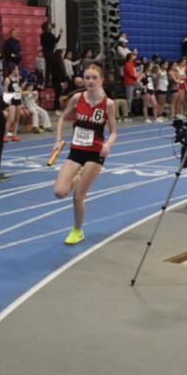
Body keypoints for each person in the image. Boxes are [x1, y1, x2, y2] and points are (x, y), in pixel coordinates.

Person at [52, 64, 116, 245]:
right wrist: (58, 140)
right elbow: (62, 118)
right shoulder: (77, 98)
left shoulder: (108, 104)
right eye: (87, 78)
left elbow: (113, 132)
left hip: (95, 153)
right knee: (59, 192)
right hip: (77, 150)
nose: (90, 81)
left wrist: (107, 145)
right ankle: (77, 177)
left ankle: (77, 230)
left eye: (94, 78)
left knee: (78, 197)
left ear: (101, 80)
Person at [3, 64, 23, 142]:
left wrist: (21, 101)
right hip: (11, 100)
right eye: (17, 69)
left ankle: (14, 135)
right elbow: (5, 91)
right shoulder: (7, 79)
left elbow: (18, 90)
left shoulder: (17, 79)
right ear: (13, 70)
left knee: (17, 118)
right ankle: (4, 135)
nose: (18, 70)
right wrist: (7, 101)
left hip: (17, 99)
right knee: (11, 119)